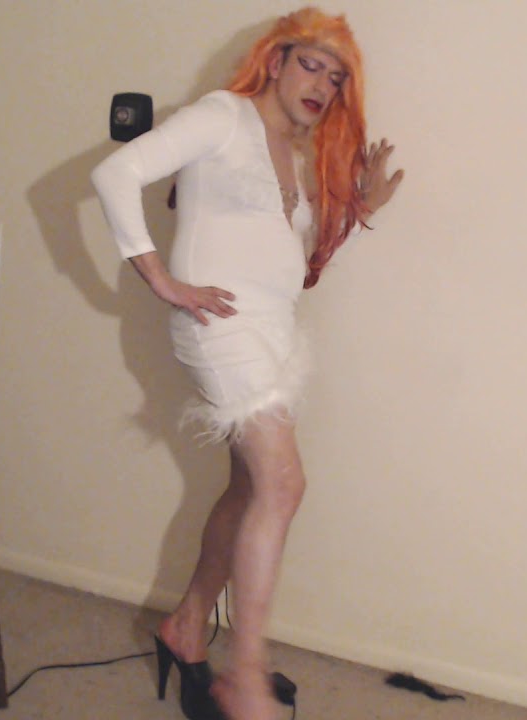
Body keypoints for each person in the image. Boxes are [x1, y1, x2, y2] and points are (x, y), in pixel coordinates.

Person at [92, 7, 403, 719]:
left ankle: (186, 626)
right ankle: (246, 675)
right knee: (284, 484)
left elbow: (289, 260)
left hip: (272, 333)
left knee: (248, 489)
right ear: (275, 60)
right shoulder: (222, 116)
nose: (321, 85)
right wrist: (161, 280)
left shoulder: (294, 150)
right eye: (310, 65)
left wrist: (358, 208)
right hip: (222, 328)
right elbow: (116, 173)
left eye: (336, 77)